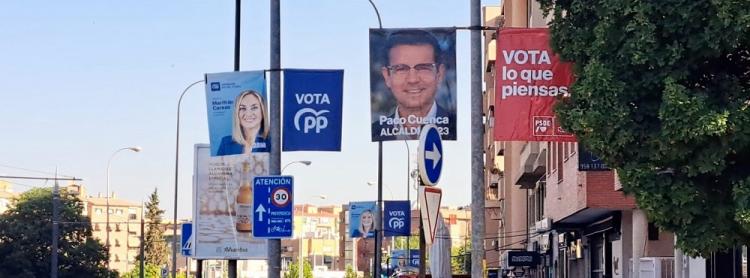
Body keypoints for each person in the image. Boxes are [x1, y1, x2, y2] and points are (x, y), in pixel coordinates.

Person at [372, 29, 456, 140]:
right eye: (401, 69)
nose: (413, 79)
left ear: (439, 74)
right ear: (387, 76)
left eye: (423, 68)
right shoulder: (376, 132)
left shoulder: (455, 127)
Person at [217, 90, 271, 155]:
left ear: (263, 111)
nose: (248, 114)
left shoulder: (271, 142)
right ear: (237, 113)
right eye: (242, 108)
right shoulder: (225, 143)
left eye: (254, 108)